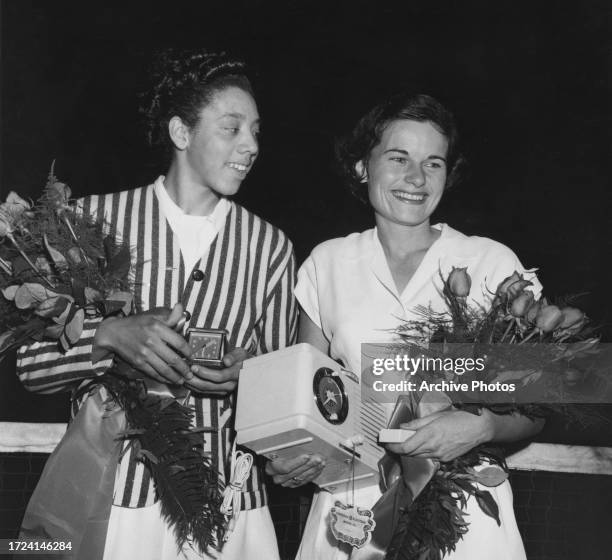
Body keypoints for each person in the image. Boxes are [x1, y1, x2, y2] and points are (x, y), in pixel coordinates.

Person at [17, 49, 299, 560]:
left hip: (231, 508)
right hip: (113, 498)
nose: (251, 146)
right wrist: (105, 336)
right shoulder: (92, 219)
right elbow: (29, 365)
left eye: (256, 131)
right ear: (181, 132)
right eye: (232, 128)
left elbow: (282, 395)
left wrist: (248, 374)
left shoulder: (271, 246)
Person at [294, 93, 544, 559]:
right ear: (361, 168)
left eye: (434, 163)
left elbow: (541, 406)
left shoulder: (492, 262)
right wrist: (295, 456)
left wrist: (483, 425)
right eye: (398, 158)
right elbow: (310, 400)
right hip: (353, 510)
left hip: (467, 514)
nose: (416, 178)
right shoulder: (326, 262)